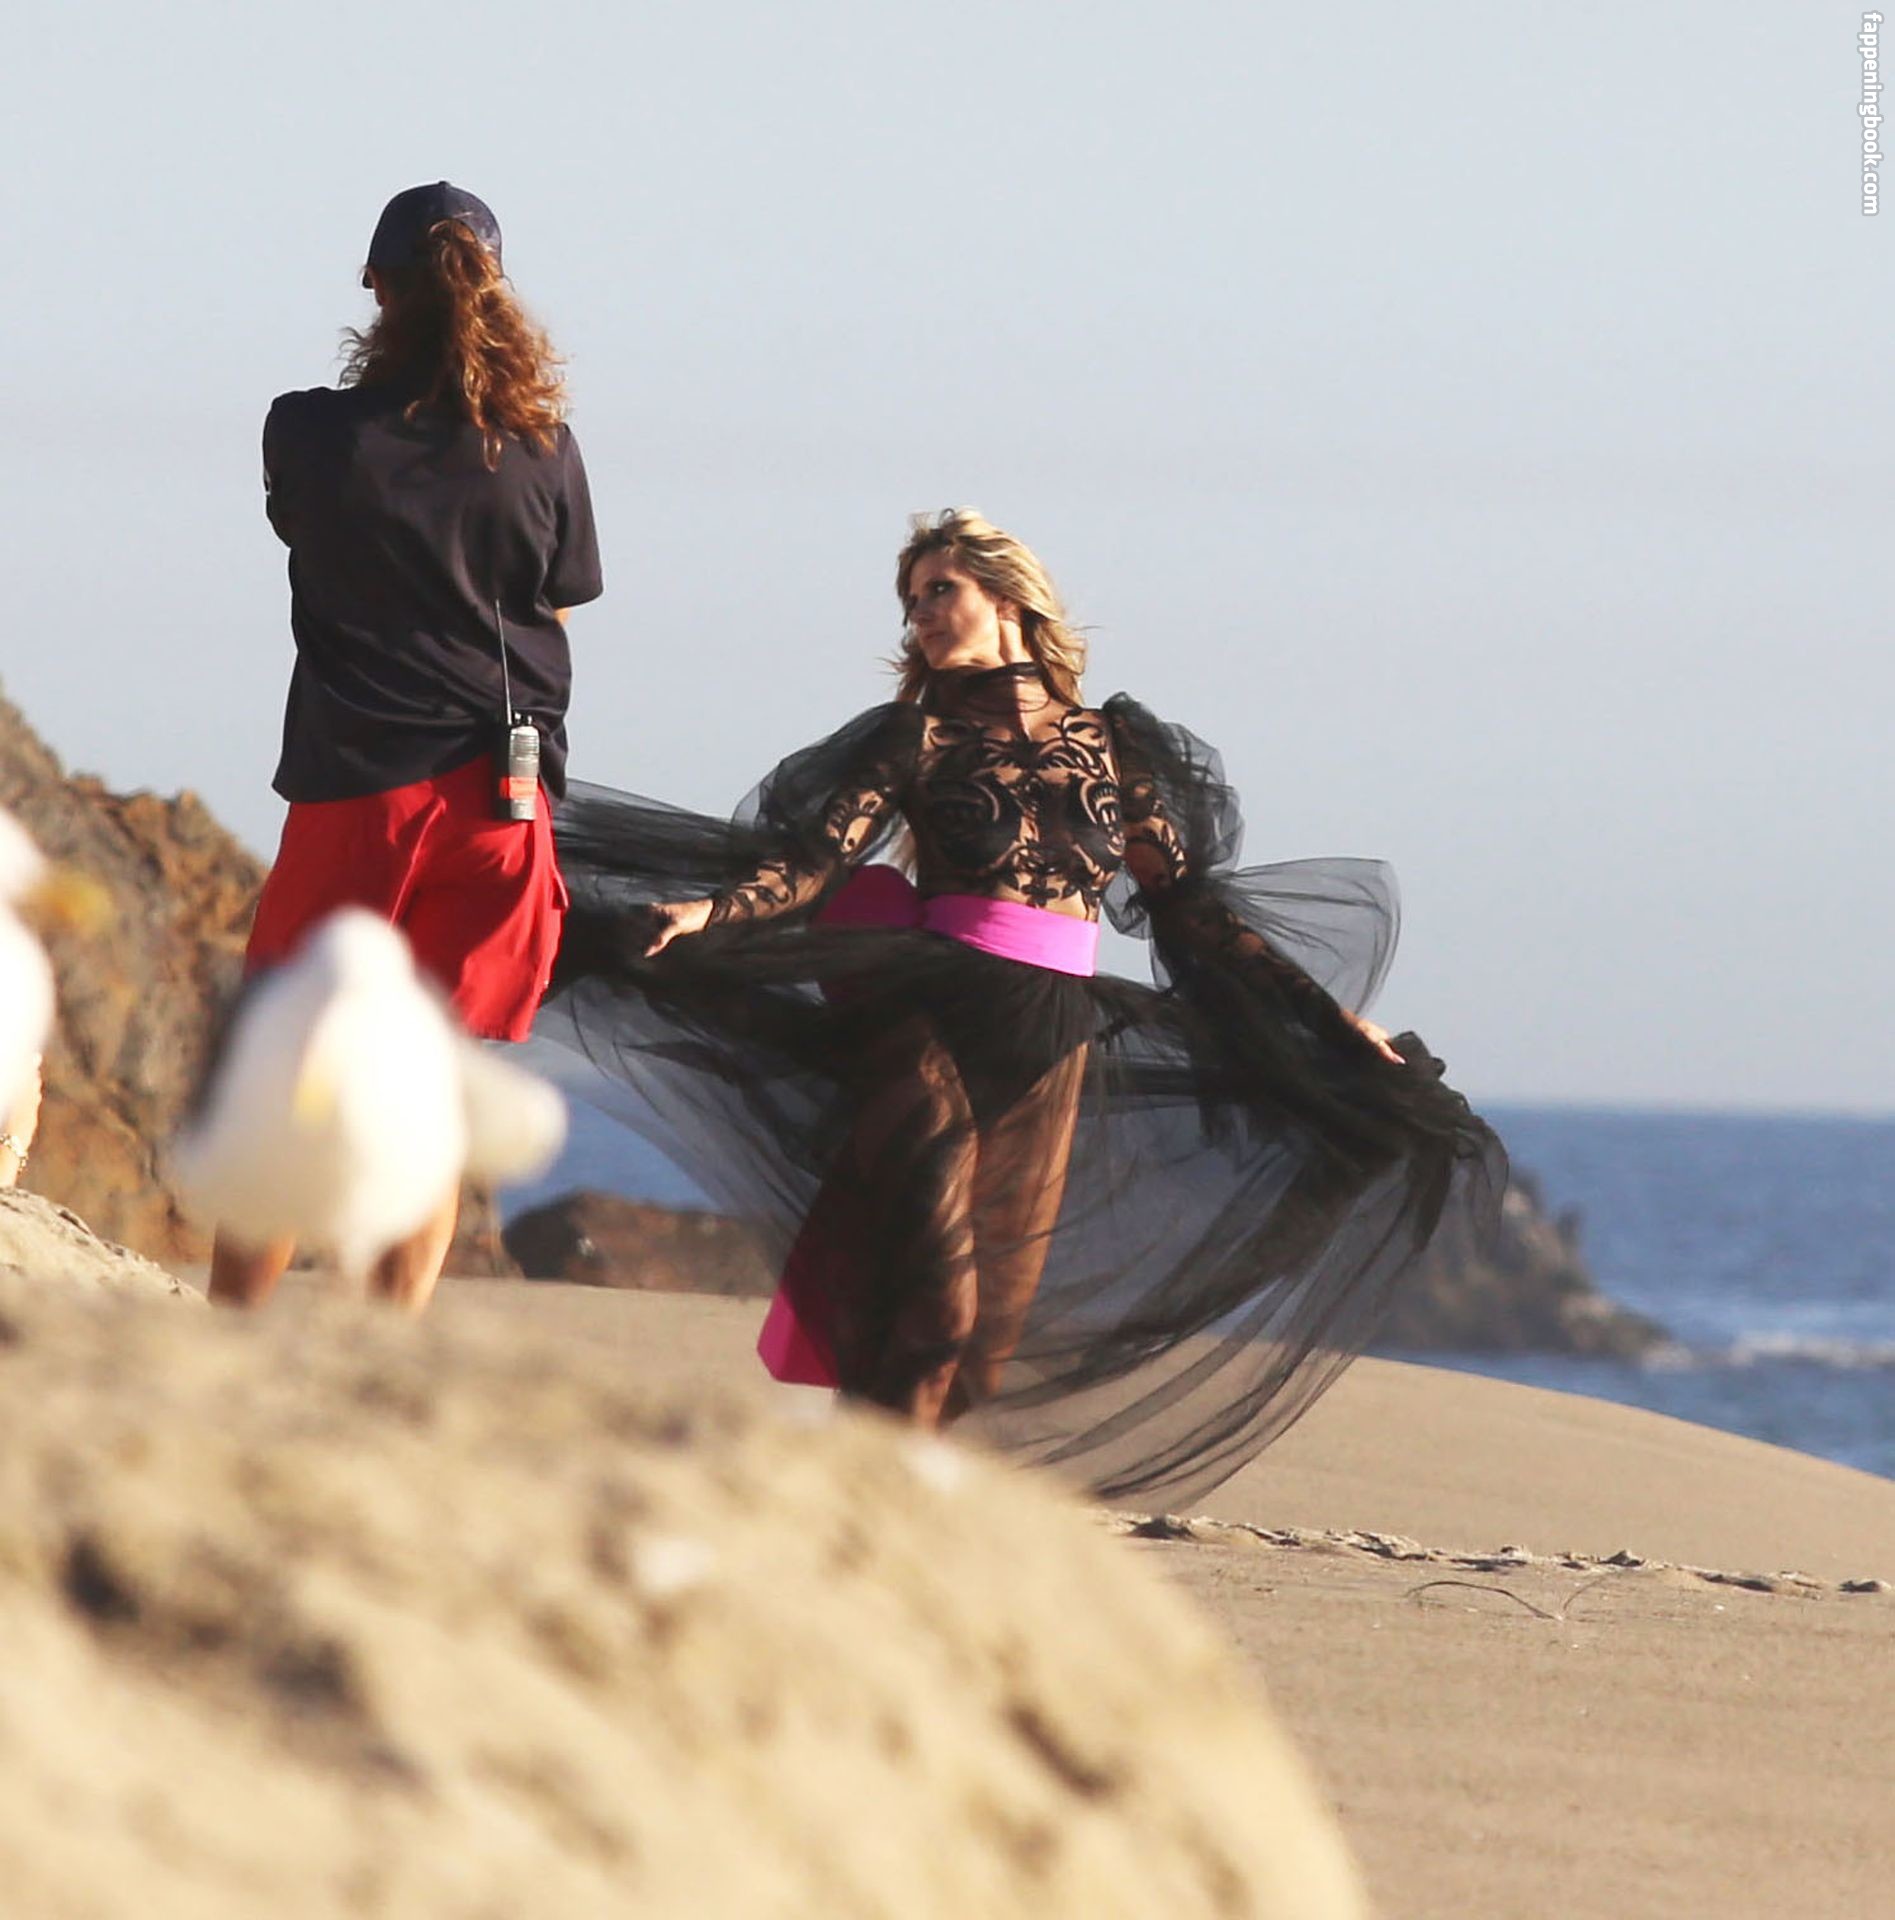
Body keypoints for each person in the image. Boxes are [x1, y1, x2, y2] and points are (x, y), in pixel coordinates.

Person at [546, 510, 1502, 1502]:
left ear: (1007, 599)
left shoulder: (1115, 745)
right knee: (935, 1307)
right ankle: (873, 1521)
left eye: (939, 591)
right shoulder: (916, 735)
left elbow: (1188, 910)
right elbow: (812, 863)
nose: (919, 616)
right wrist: (707, 912)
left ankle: (861, 1492)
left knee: (984, 1342)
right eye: (910, 601)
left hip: (1053, 1030)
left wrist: (1327, 1019)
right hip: (927, 1012)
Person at [211, 182, 603, 1312]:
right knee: (431, 1091)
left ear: (374, 288)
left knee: (292, 1075)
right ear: (497, 292)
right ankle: (387, 1350)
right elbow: (560, 602)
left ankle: (230, 1342)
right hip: (499, 800)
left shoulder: (309, 432)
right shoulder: (543, 447)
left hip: (359, 791)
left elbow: (305, 532)